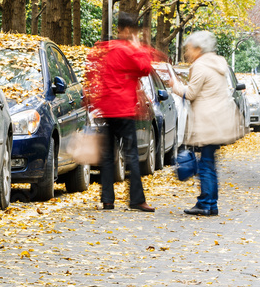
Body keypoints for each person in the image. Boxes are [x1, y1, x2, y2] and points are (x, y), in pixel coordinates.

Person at [86, 12, 157, 212]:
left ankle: (108, 199)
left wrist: (91, 99)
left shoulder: (104, 49)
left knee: (108, 156)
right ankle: (136, 199)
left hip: (107, 108)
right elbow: (145, 68)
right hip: (124, 109)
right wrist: (139, 46)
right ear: (128, 30)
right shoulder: (127, 50)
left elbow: (92, 73)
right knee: (131, 155)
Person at [165, 31, 239, 216]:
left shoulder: (200, 66)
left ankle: (206, 203)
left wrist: (174, 85)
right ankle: (210, 203)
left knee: (206, 164)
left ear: (198, 49)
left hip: (208, 121)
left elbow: (190, 93)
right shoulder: (216, 63)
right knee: (209, 162)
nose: (187, 53)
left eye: (189, 49)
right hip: (218, 121)